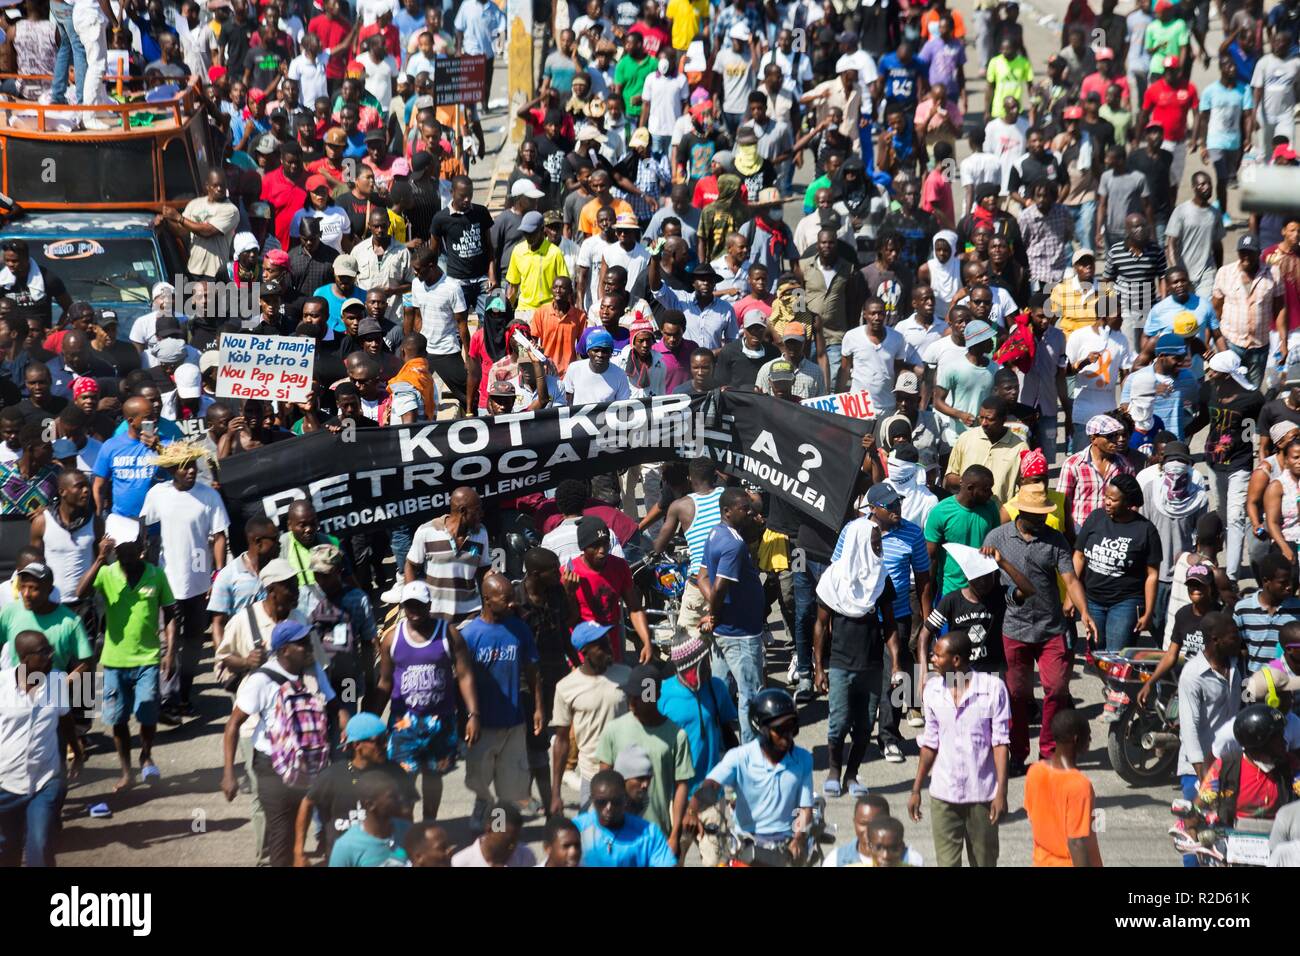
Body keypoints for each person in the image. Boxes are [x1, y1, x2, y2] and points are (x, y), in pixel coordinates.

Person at [986, 483, 1093, 774]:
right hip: (1013, 628)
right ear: (1021, 512)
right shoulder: (997, 537)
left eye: (1046, 514)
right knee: (1017, 695)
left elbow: (1070, 580)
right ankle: (1017, 754)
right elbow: (983, 580)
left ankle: (1048, 752)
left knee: (1057, 690)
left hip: (1051, 628)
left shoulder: (1055, 539)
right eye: (1038, 515)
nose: (1045, 519)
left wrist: (1084, 611)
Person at [220, 619, 335, 867]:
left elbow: (334, 703)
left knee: (317, 832)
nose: (309, 647)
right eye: (302, 644)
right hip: (273, 770)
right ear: (284, 650)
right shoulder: (261, 680)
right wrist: (229, 773)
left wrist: (347, 726)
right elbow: (232, 725)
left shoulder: (313, 670)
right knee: (282, 837)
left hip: (311, 766)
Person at [813, 485, 902, 791]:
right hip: (839, 663)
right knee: (838, 724)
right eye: (875, 543)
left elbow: (889, 625)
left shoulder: (881, 578)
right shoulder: (833, 579)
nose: (879, 548)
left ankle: (852, 775)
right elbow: (821, 626)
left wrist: (896, 664)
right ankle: (834, 774)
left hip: (872, 663)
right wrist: (819, 668)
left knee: (864, 726)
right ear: (860, 542)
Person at [77, 518, 176, 793]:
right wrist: (99, 559)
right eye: (121, 553)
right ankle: (126, 771)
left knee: (147, 713)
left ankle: (146, 754)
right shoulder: (107, 573)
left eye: (131, 552)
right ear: (114, 552)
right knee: (117, 719)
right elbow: (80, 592)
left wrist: (171, 651)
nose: (127, 558)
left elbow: (169, 613)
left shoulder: (156, 575)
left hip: (148, 658)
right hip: (114, 660)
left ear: (140, 548)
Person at [374, 581, 479, 822]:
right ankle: (407, 830)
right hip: (403, 725)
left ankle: (429, 824)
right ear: (403, 607)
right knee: (403, 780)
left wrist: (474, 714)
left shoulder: (449, 634)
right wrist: (372, 720)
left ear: (429, 605)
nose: (414, 611)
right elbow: (385, 683)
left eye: (419, 606)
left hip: (440, 722)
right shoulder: (392, 639)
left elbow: (464, 675)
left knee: (433, 777)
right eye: (409, 606)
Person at [908, 630, 1010, 867]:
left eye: (937, 655)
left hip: (982, 795)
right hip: (944, 795)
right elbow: (930, 743)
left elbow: (1000, 743)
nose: (933, 659)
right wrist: (916, 789)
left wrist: (1001, 792)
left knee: (984, 863)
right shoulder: (932, 691)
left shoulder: (993, 689)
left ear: (956, 660)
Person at [686, 688, 814, 865]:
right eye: (780, 729)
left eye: (791, 727)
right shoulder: (739, 757)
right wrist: (692, 810)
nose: (787, 734)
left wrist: (799, 839)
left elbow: (805, 808)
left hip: (786, 848)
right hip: (746, 846)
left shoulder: (803, 759)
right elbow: (711, 785)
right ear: (761, 729)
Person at [460, 573, 541, 829]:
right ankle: (481, 808)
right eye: (505, 600)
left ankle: (504, 829)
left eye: (512, 600)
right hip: (484, 724)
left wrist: (539, 708)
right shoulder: (470, 635)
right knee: (480, 777)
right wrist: (466, 719)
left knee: (511, 780)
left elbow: (533, 671)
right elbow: (460, 680)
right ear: (486, 599)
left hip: (514, 720)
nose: (511, 605)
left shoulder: (519, 629)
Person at [0, 631, 82, 866]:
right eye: (44, 652)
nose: (51, 656)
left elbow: (65, 719)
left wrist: (77, 751)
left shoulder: (56, 680)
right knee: (7, 848)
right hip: (5, 784)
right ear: (24, 658)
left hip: (44, 781)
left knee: (40, 844)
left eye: (50, 650)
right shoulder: (2, 685)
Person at [294, 711, 416, 866]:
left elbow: (407, 815)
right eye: (379, 741)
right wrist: (298, 852)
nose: (385, 745)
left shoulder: (396, 772)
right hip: (344, 859)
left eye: (386, 739)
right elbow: (307, 804)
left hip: (387, 856)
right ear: (357, 744)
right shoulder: (333, 775)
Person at [698, 488, 766, 743]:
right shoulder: (734, 545)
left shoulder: (715, 532)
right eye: (744, 508)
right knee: (750, 695)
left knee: (721, 692)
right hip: (741, 633)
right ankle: (749, 751)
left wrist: (713, 613)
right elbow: (717, 587)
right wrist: (714, 612)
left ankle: (719, 744)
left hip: (725, 630)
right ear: (727, 511)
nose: (750, 512)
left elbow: (702, 576)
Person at [1073, 474, 1162, 650]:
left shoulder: (1146, 531)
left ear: (1128, 503)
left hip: (1126, 603)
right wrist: (1071, 595)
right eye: (1106, 497)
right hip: (1092, 600)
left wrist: (1149, 612)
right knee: (1097, 650)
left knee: (1117, 656)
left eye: (1113, 500)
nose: (1106, 502)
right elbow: (1079, 556)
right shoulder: (1095, 518)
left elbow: (1152, 575)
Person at [550, 621, 631, 815]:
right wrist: (555, 794)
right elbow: (561, 742)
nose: (608, 647)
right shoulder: (566, 688)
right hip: (591, 776)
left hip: (627, 774)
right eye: (601, 645)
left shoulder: (627, 675)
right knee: (590, 839)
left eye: (607, 641)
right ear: (584, 651)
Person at [1023, 710, 1103, 866]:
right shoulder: (1079, 786)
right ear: (1076, 739)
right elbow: (1077, 843)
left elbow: (1032, 817)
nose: (1090, 740)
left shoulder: (1034, 771)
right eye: (1088, 736)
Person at [1213, 233, 1284, 389]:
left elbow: (1279, 309)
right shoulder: (1224, 273)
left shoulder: (1274, 273)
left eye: (1250, 253)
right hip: (1230, 343)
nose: (1246, 257)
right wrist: (1214, 341)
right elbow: (1216, 309)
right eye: (1242, 252)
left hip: (1259, 346)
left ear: (1259, 253)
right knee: (1228, 389)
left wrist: (1282, 340)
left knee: (1252, 390)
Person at [573, 768, 676, 866]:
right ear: (592, 800)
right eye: (602, 802)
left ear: (625, 800)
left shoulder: (649, 833)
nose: (608, 808)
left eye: (615, 802)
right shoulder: (576, 829)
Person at [328, 772, 411, 867]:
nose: (400, 799)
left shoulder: (408, 831)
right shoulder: (346, 847)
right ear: (370, 805)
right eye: (392, 796)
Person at [452, 801, 538, 867]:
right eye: (508, 841)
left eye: (516, 840)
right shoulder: (460, 863)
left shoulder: (525, 856)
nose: (513, 846)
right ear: (489, 830)